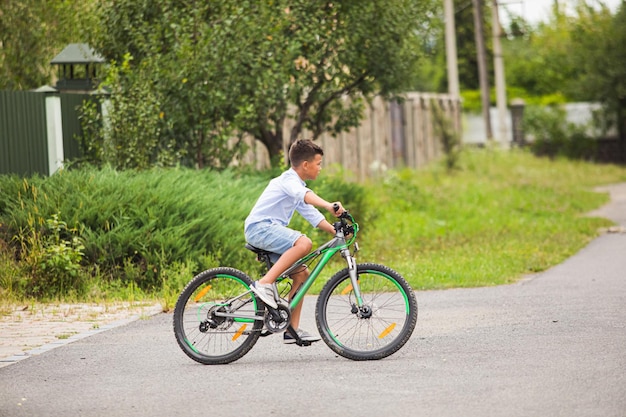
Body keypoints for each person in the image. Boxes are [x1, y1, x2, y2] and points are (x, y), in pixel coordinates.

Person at [244, 139, 344, 344]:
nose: (320, 168)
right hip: (259, 228)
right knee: (304, 243)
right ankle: (264, 284)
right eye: (318, 164)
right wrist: (329, 205)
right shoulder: (288, 180)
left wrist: (336, 230)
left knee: (302, 274)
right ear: (305, 165)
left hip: (269, 231)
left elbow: (311, 214)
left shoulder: (298, 187)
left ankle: (291, 330)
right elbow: (305, 196)